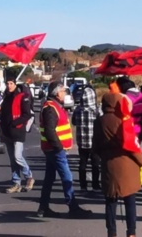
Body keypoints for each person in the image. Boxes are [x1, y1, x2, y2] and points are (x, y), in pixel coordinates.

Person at [94, 91, 142, 237]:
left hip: (109, 165)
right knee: (130, 200)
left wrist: (105, 155)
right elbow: (131, 145)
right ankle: (131, 232)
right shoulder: (123, 120)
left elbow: (96, 145)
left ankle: (111, 231)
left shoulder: (99, 121)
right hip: (127, 165)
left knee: (111, 201)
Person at [37, 81, 92, 218]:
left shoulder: (55, 106)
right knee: (67, 177)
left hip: (52, 149)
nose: (65, 93)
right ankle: (72, 207)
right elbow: (50, 131)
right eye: (63, 91)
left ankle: (43, 208)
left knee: (49, 178)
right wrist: (59, 147)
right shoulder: (50, 108)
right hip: (54, 150)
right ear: (56, 93)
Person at [0, 78, 34, 193]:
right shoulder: (5, 97)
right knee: (12, 160)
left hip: (18, 131)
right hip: (7, 132)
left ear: (15, 84)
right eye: (7, 83)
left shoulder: (22, 97)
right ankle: (16, 182)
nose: (9, 86)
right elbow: (3, 115)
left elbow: (27, 114)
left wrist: (15, 122)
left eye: (11, 83)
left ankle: (28, 176)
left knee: (17, 156)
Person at [72, 80, 101, 191]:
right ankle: (95, 184)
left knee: (82, 163)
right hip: (94, 141)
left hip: (81, 141)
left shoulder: (77, 110)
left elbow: (74, 122)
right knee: (95, 164)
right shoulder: (96, 110)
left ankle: (83, 185)